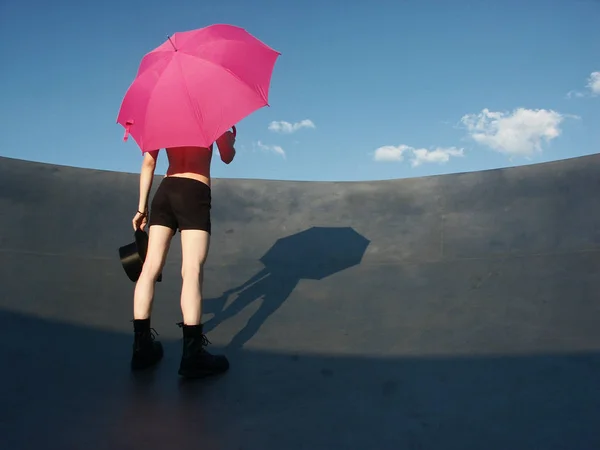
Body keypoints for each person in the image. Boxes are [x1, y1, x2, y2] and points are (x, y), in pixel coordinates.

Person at [129, 129, 237, 378]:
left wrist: (141, 208)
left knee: (149, 268)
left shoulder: (166, 116)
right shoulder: (209, 115)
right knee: (191, 270)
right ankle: (192, 355)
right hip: (194, 191)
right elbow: (227, 156)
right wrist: (229, 140)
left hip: (165, 191)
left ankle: (141, 348)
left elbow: (149, 161)